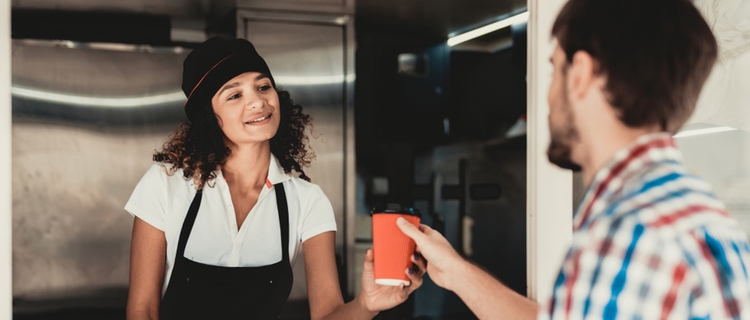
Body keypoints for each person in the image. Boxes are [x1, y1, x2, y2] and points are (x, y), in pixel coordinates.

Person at [397, 0, 750, 319]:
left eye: (553, 71)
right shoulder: (705, 219)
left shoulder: (631, 233)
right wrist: (458, 274)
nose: (547, 98)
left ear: (579, 74)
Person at [125, 37, 424, 320]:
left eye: (263, 87)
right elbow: (142, 311)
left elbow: (327, 314)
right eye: (235, 94)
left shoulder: (307, 200)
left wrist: (366, 304)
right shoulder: (165, 184)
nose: (258, 102)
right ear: (209, 117)